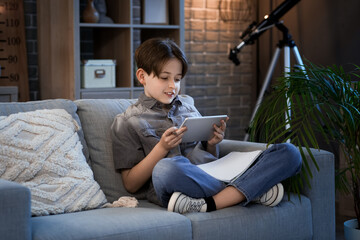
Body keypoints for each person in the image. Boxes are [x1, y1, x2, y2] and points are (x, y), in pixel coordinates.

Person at [111, 38, 302, 214]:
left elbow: (211, 160)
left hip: (212, 175)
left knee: (290, 152)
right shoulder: (127, 121)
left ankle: (210, 203)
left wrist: (213, 143)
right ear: (142, 76)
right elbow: (131, 184)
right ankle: (252, 190)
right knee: (166, 168)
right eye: (164, 77)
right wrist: (161, 149)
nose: (172, 86)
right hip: (174, 182)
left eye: (177, 79)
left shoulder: (188, 107)